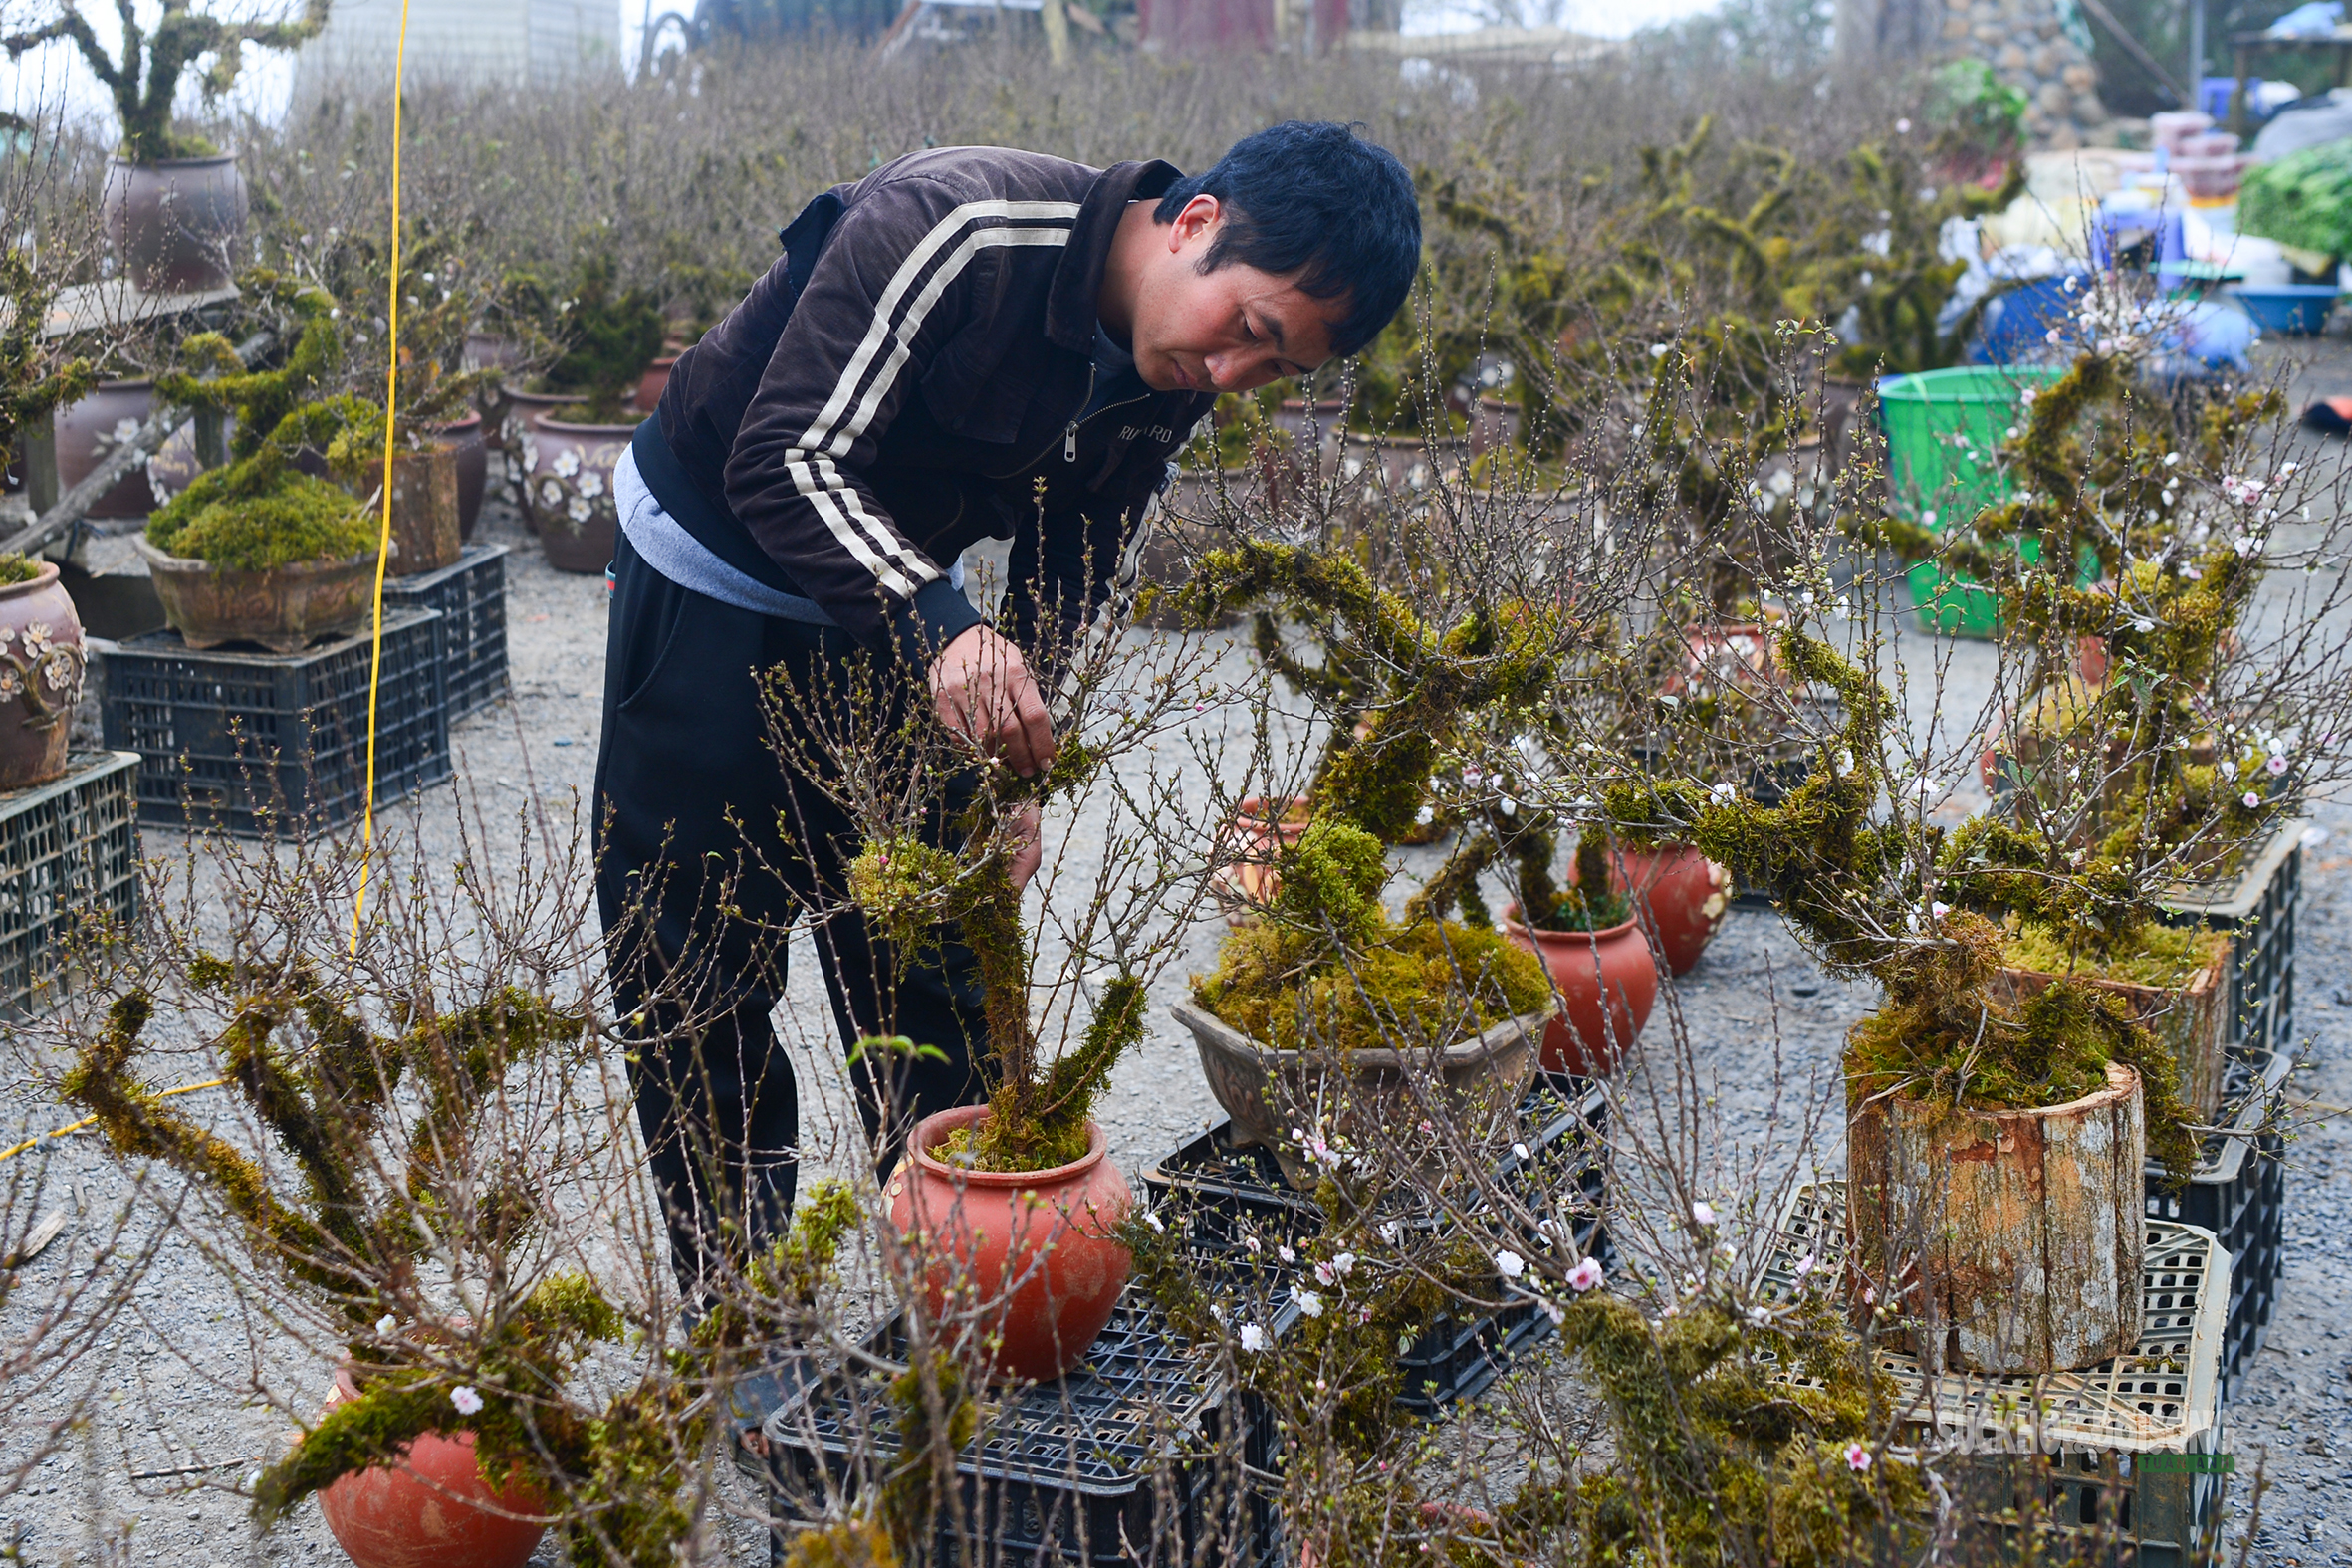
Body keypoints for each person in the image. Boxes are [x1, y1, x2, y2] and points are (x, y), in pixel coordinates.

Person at [594, 119, 1421, 1307]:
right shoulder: (963, 226)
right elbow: (780, 459)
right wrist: (942, 627)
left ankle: (965, 1274)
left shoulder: (1166, 367)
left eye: (1277, 371)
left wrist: (1016, 775)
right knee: (701, 968)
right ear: (1196, 224)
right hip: (713, 576)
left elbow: (1074, 559)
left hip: (895, 603)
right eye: (1247, 331)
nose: (1234, 376)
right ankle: (743, 1314)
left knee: (935, 947)